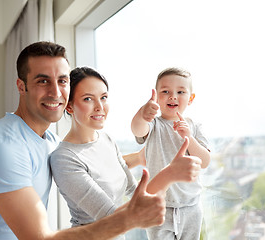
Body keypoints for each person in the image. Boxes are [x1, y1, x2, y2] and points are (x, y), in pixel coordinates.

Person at [0, 41, 167, 240]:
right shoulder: (3, 147)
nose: (56, 92)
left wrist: (140, 157)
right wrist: (130, 219)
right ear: (21, 86)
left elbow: (88, 166)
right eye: (43, 81)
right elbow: (37, 238)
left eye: (62, 81)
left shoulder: (49, 139)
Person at [49, 67, 203, 239]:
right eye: (88, 99)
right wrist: (169, 174)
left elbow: (133, 190)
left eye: (104, 97)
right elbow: (113, 217)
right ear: (69, 106)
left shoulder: (106, 140)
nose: (100, 107)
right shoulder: (64, 158)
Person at [131, 67, 211, 240]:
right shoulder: (153, 125)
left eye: (180, 92)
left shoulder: (195, 126)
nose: (173, 96)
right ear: (157, 97)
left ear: (190, 99)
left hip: (191, 207)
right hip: (158, 205)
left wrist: (189, 137)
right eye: (165, 91)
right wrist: (143, 114)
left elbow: (204, 161)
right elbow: (137, 129)